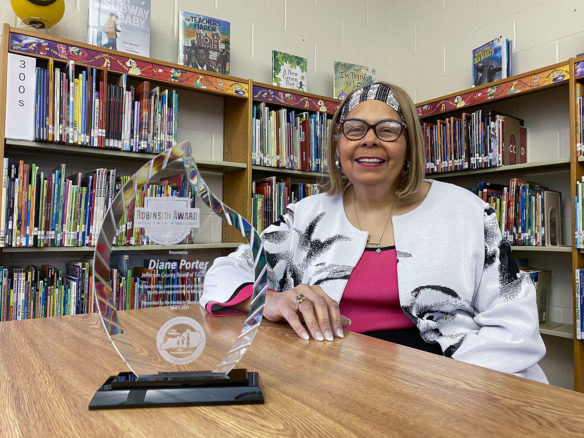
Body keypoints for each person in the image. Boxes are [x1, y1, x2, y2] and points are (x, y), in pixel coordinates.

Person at [200, 82, 548, 383]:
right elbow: (227, 272)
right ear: (338, 144)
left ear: (409, 144)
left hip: (448, 382)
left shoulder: (468, 213)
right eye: (354, 129)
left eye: (387, 129)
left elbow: (514, 326)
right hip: (327, 379)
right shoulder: (305, 216)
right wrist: (272, 300)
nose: (369, 140)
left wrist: (447, 387)